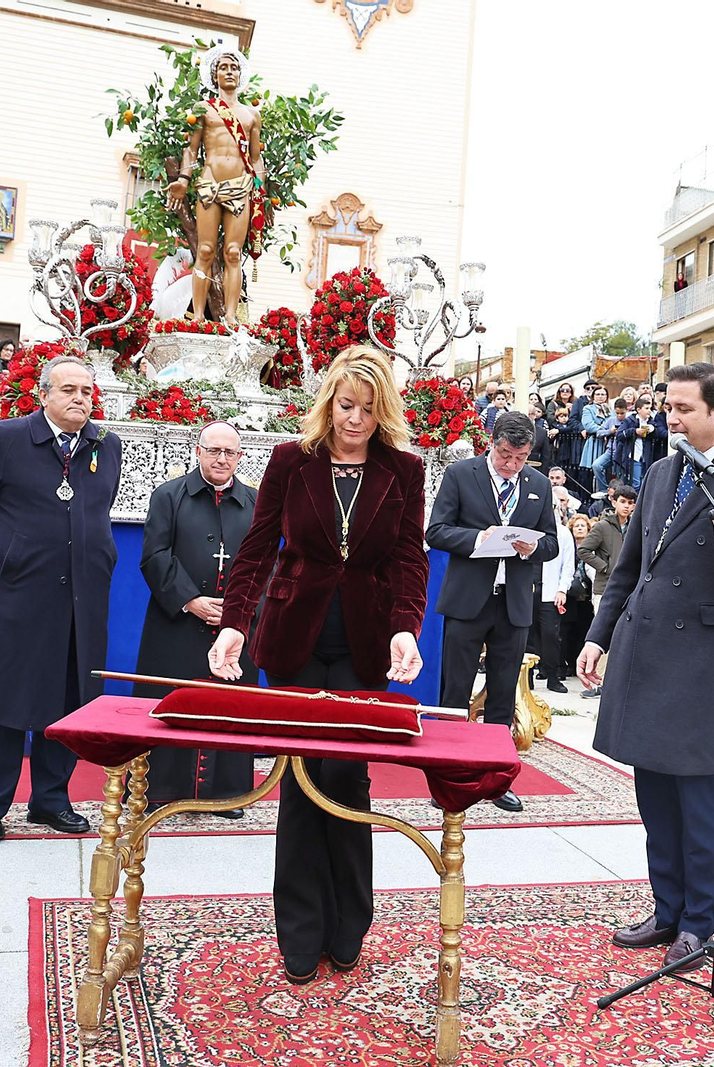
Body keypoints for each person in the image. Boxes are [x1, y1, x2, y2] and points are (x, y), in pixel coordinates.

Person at [207, 344, 427, 985]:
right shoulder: (289, 461)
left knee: (348, 780)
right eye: (344, 405)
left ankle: (348, 925)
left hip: (364, 648)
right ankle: (299, 934)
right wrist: (232, 628)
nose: (353, 420)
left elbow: (409, 560)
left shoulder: (404, 470)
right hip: (294, 641)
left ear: (383, 412)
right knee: (302, 784)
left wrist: (405, 630)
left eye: (366, 409)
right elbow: (255, 551)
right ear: (327, 402)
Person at [578, 361, 714, 968]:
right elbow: (630, 569)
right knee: (655, 799)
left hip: (703, 665)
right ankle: (666, 909)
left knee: (700, 804)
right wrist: (599, 636)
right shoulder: (659, 472)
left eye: (683, 409)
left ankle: (701, 924)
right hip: (646, 651)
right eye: (668, 407)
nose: (671, 418)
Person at [0, 355, 122, 843]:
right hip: (17, 592)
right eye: (68, 389)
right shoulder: (6, 438)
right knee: (5, 697)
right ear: (44, 395)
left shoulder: (104, 445)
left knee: (68, 698)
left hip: (82, 593)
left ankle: (51, 800)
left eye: (86, 392)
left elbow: (100, 505)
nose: (79, 399)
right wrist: (9, 555)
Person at [429, 410, 558, 812]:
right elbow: (436, 530)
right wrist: (477, 538)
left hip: (514, 601)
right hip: (469, 599)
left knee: (503, 693)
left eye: (520, 458)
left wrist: (535, 547)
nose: (511, 465)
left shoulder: (537, 484)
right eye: (505, 455)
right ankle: (448, 778)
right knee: (454, 692)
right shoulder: (461, 475)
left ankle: (497, 779)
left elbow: (552, 542)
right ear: (492, 442)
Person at [133, 421, 257, 814]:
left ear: (240, 457)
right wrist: (191, 601)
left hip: (235, 626)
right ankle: (161, 789)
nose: (222, 459)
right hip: (178, 623)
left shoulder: (256, 502)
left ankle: (226, 793)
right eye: (214, 450)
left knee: (228, 706)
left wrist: (237, 611)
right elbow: (154, 556)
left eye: (231, 453)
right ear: (198, 451)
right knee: (173, 700)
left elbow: (265, 563)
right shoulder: (169, 496)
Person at [165, 45, 263, 327]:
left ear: (240, 74)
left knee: (233, 252)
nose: (229, 72)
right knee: (205, 251)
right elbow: (191, 151)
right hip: (209, 183)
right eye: (223, 68)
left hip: (240, 187)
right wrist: (183, 180)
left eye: (233, 68)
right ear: (214, 74)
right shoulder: (203, 110)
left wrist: (261, 189)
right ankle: (196, 316)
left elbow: (256, 159)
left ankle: (231, 317)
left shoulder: (251, 115)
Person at [576, 480, 634, 698]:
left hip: (628, 589)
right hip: (604, 589)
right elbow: (583, 550)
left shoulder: (634, 526)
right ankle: (598, 683)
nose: (627, 506)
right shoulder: (602, 526)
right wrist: (605, 566)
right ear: (614, 501)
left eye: (630, 503)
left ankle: (612, 681)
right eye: (623, 502)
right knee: (602, 634)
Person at [528, 495, 575, 693]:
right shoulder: (527, 528)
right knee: (526, 636)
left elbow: (568, 564)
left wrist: (562, 588)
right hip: (526, 590)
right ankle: (526, 677)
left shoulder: (562, 533)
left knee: (551, 635)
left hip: (550, 591)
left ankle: (552, 675)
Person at [560, 513, 595, 680]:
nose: (580, 528)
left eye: (583, 526)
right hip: (570, 596)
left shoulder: (592, 547)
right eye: (576, 526)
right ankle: (570, 664)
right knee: (568, 632)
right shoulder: (568, 547)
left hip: (587, 597)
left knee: (584, 631)